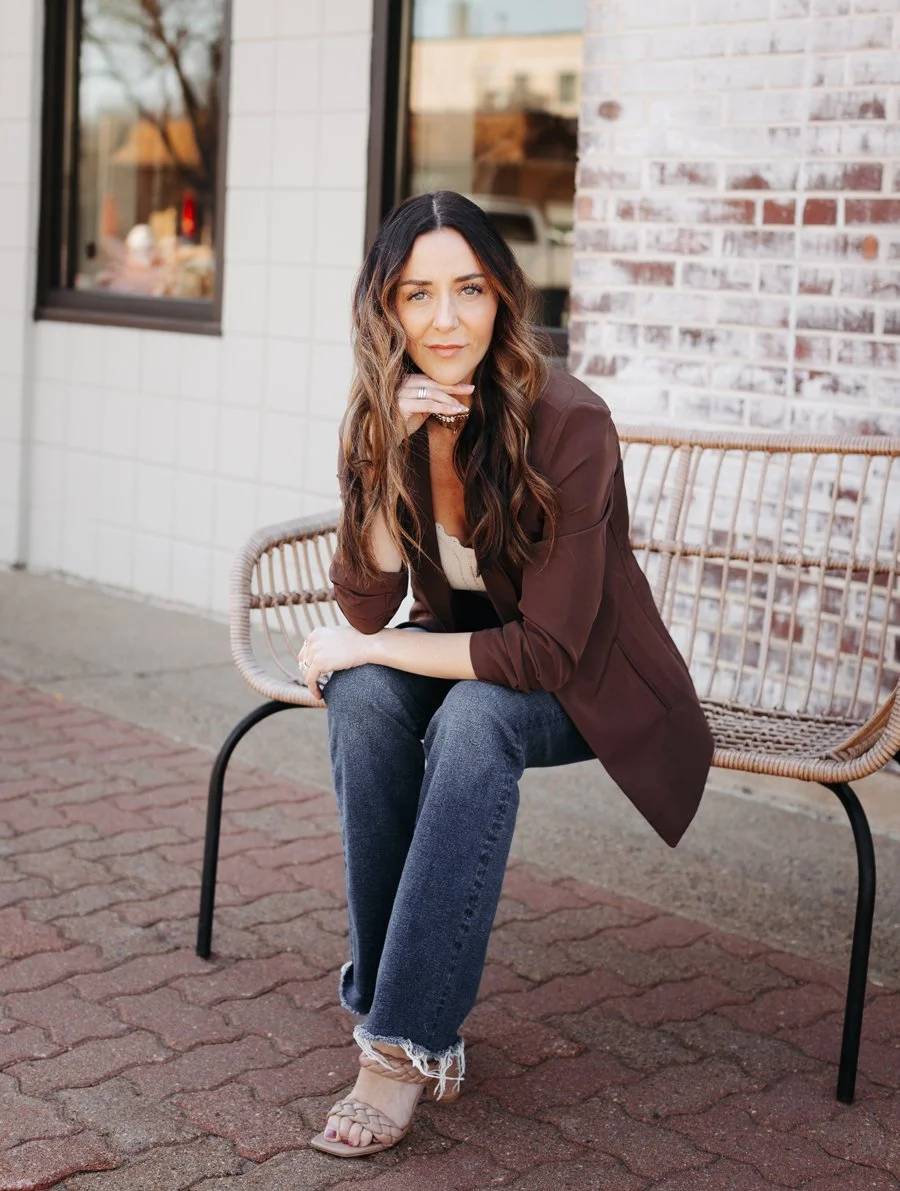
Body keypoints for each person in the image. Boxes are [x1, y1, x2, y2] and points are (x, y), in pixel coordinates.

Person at [296, 191, 714, 1158]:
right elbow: (366, 602)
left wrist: (376, 645)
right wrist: (383, 449)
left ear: (504, 296)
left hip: (589, 691)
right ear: (386, 309)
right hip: (471, 668)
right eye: (418, 295)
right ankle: (391, 985)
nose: (446, 321)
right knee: (360, 696)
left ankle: (399, 1046)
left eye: (470, 290)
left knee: (475, 715)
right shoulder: (390, 408)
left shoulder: (570, 422)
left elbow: (545, 654)